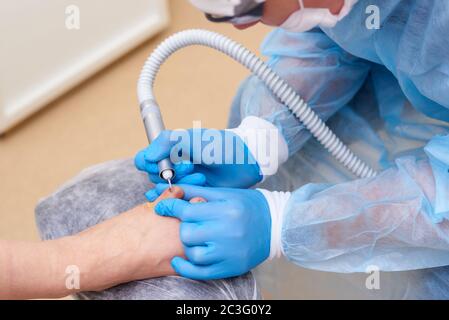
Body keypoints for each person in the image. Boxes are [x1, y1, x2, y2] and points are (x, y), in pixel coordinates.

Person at [135, 0, 449, 298]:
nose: (243, 28)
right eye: (220, 16)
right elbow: (331, 37)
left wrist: (288, 222)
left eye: (252, 8)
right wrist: (260, 138)